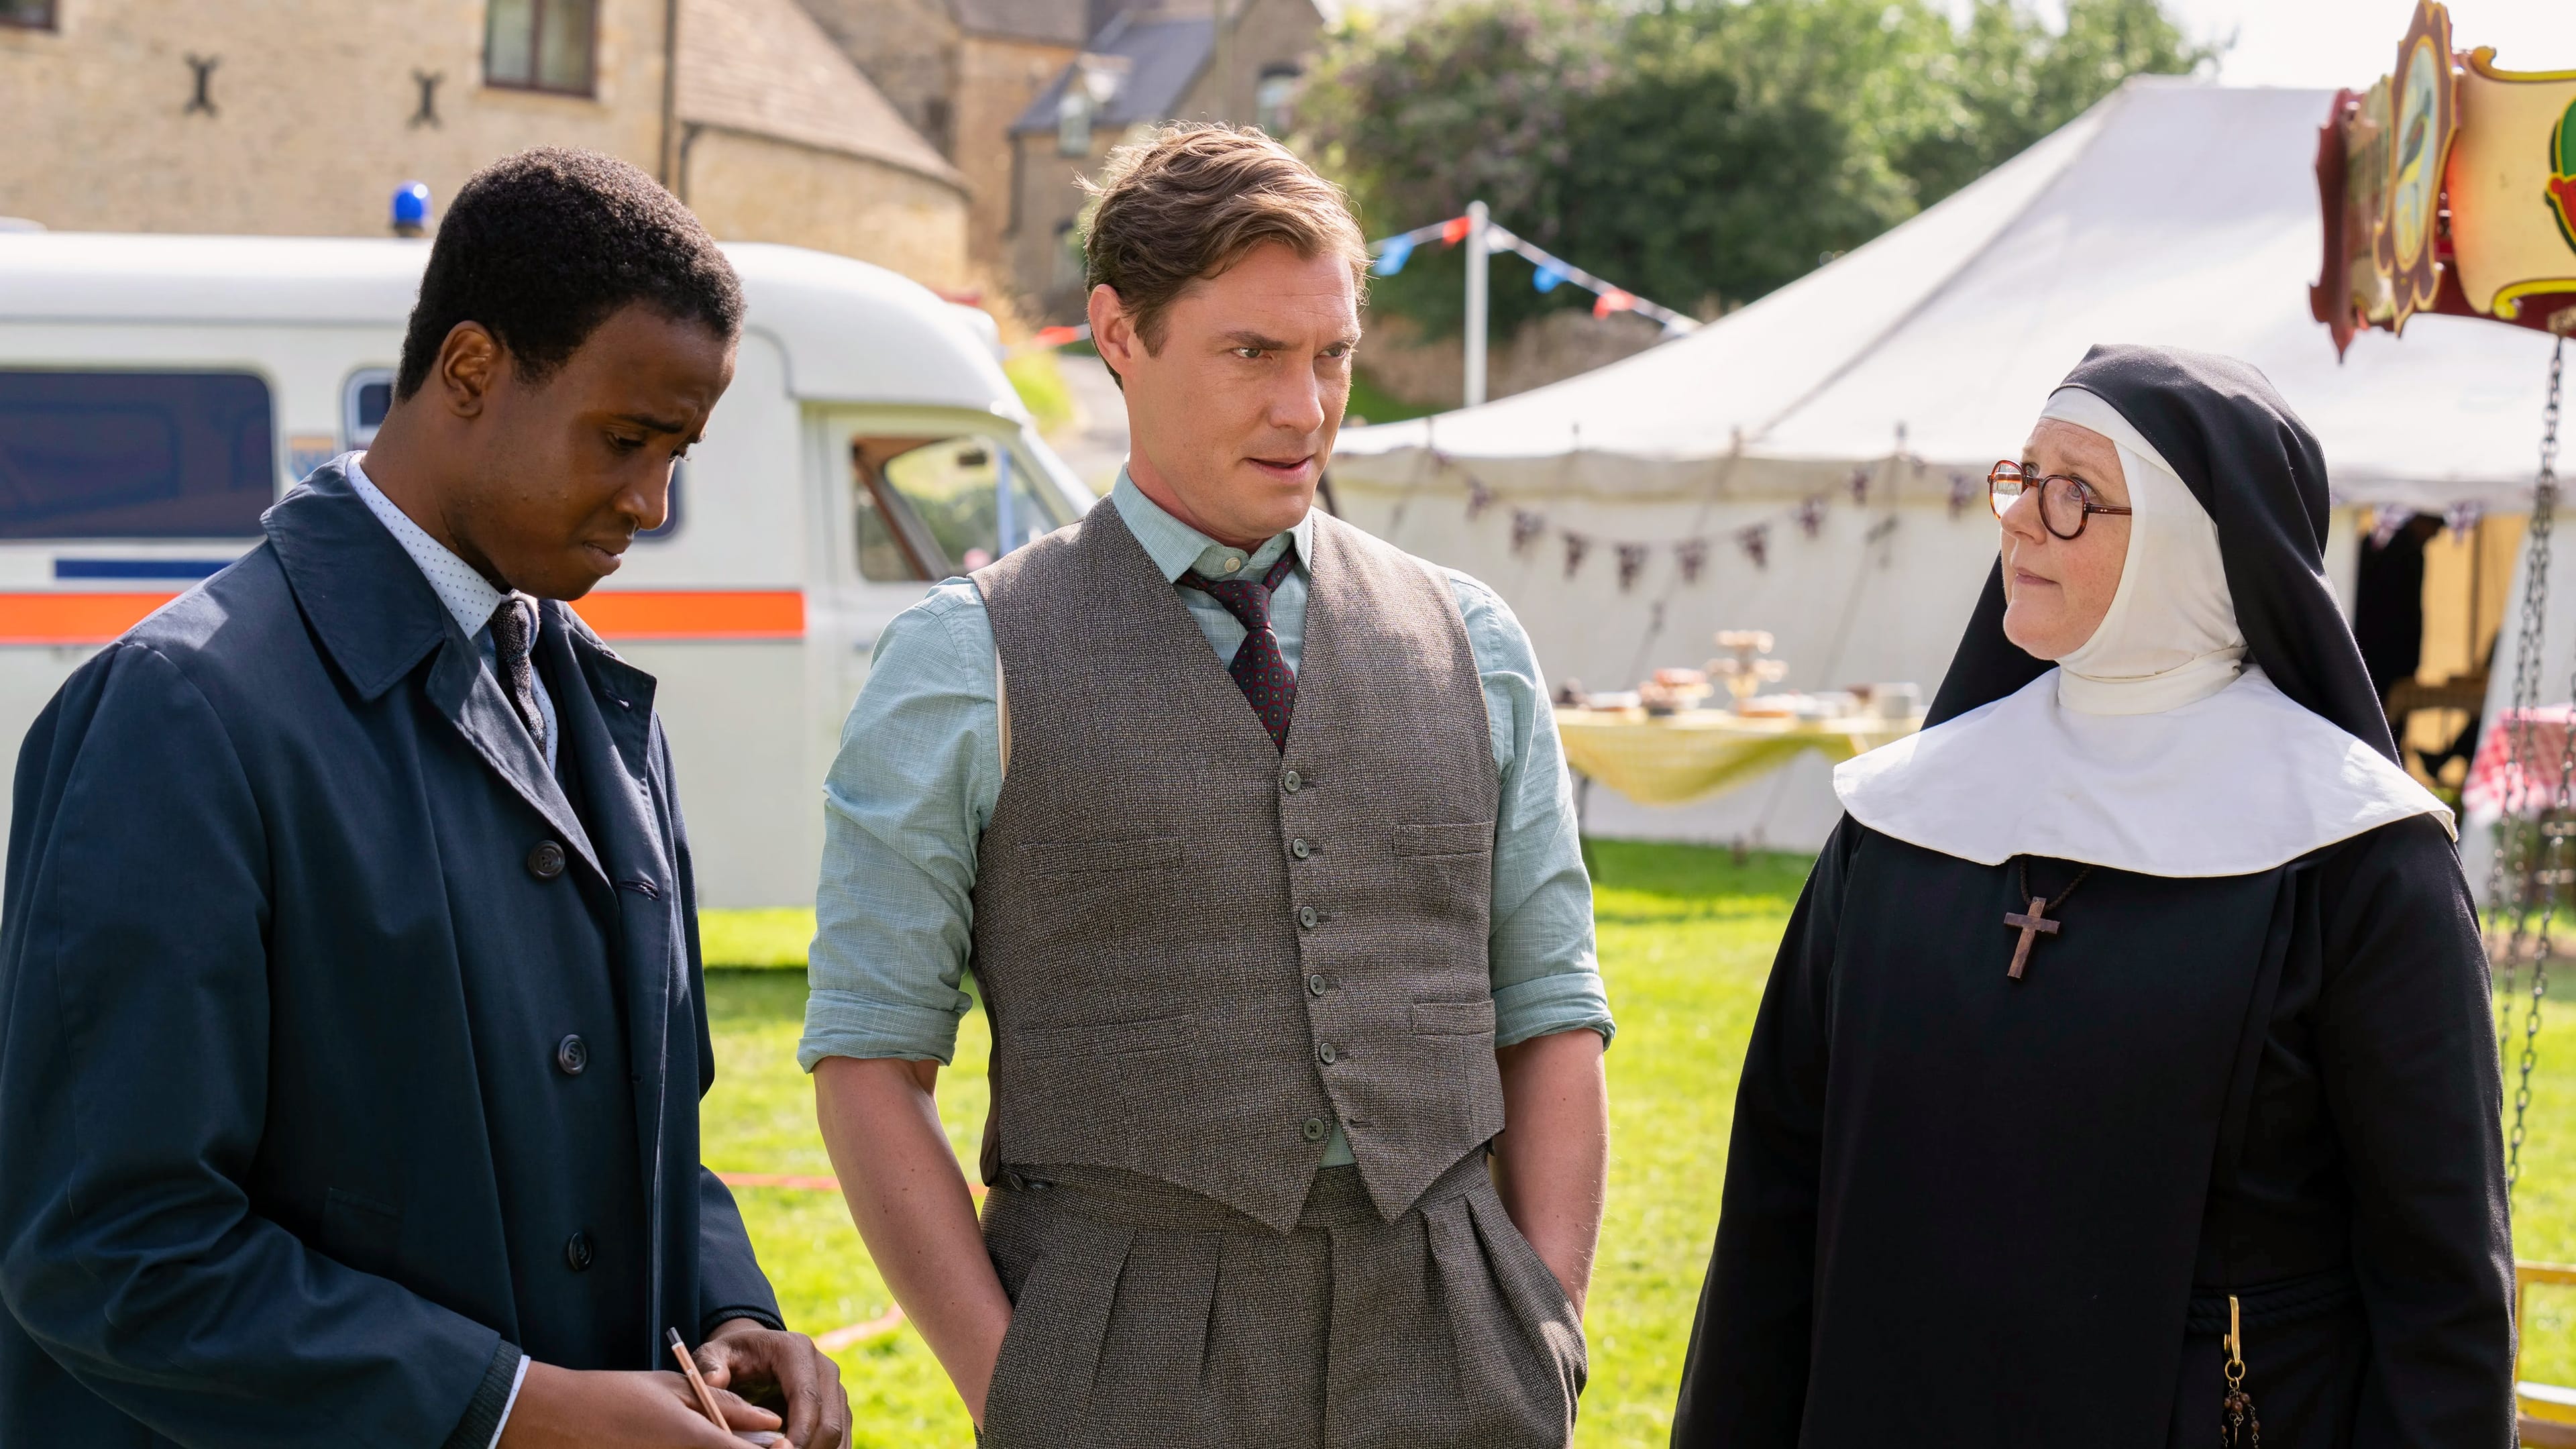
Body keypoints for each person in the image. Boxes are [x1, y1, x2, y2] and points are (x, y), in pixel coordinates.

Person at [0, 149, 851, 1449]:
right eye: (626, 440)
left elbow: (649, 1142)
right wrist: (513, 1410)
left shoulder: (606, 712)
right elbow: (107, 1248)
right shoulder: (179, 712)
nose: (651, 502)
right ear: (468, 371)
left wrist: (728, 1312)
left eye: (679, 453)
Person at [802, 123, 1612, 1446]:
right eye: (1253, 354)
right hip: (1123, 1344)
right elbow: (868, 1063)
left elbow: (1553, 1013)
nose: (1306, 409)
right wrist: (1021, 1392)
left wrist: (1547, 1325)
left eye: (1331, 355)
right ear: (1119, 334)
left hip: (1457, 1335)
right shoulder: (963, 659)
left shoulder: (1472, 640)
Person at [1672, 345, 2513, 1447]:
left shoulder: (2359, 859)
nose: (2021, 520)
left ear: (2194, 544)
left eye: (2074, 494)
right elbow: (1777, 1196)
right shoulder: (1902, 818)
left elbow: (2438, 1285)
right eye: (2023, 479)